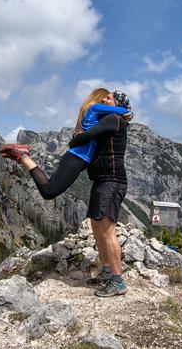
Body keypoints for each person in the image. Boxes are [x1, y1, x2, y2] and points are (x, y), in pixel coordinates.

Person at [0, 88, 131, 200]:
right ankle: (23, 156)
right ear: (99, 99)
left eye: (108, 99)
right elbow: (124, 112)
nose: (105, 101)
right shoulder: (95, 108)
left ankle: (22, 156)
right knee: (49, 191)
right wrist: (129, 112)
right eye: (104, 98)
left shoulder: (96, 115)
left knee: (49, 191)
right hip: (78, 157)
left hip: (78, 157)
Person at [67, 94, 130, 297]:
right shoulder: (111, 119)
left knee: (107, 230)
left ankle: (118, 281)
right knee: (97, 226)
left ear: (117, 106)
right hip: (103, 179)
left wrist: (76, 138)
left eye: (109, 99)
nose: (104, 100)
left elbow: (86, 136)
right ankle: (106, 272)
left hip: (111, 181)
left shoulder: (113, 119)